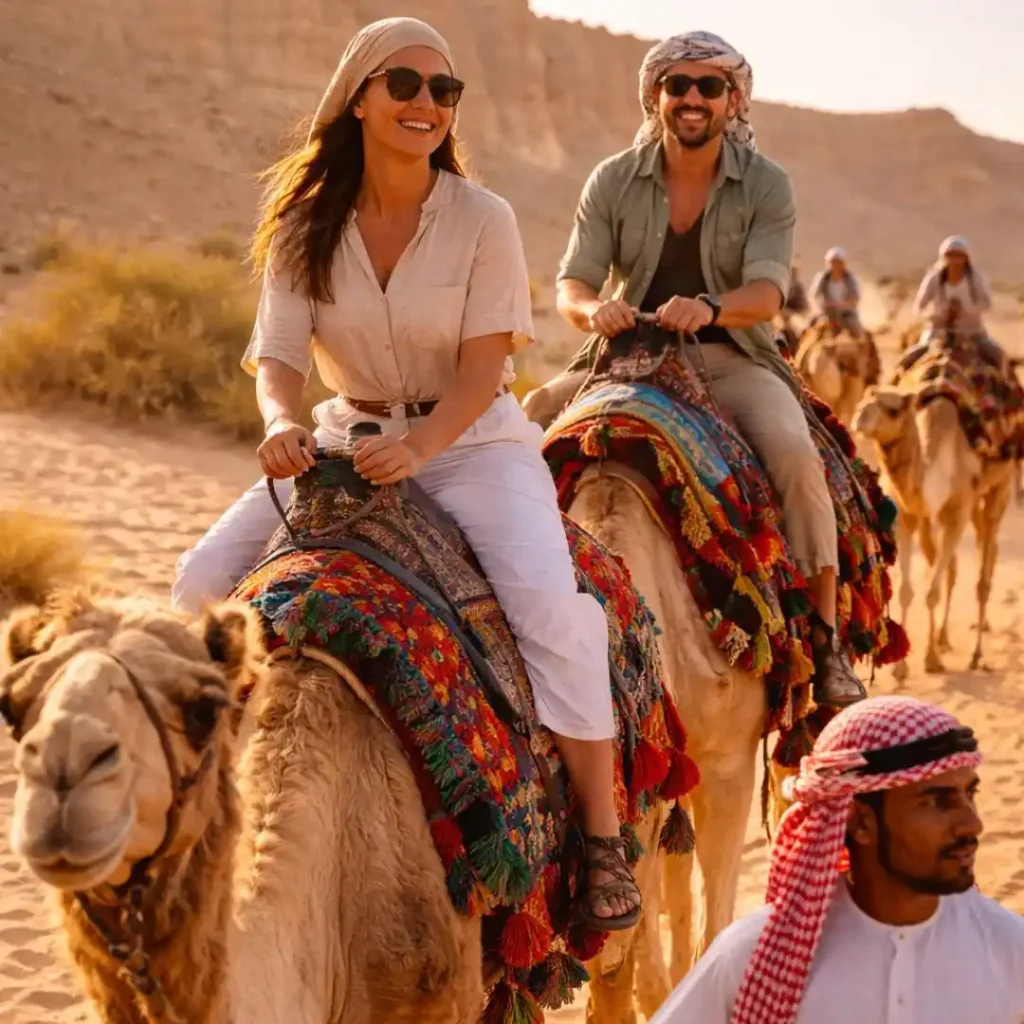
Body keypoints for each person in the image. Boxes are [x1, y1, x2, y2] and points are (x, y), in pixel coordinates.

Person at [171, 17, 640, 928]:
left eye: (444, 91)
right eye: (406, 85)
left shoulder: (482, 219)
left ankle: (601, 838)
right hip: (343, 440)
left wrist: (421, 452)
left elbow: (481, 366)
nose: (427, 103)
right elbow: (277, 356)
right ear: (359, 99)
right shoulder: (306, 225)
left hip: (470, 444)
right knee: (197, 586)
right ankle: (196, 804)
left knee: (550, 609)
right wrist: (277, 423)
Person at [553, 31, 864, 708]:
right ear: (657, 96)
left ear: (733, 100)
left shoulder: (766, 184)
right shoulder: (612, 178)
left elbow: (768, 293)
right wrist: (593, 311)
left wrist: (709, 307)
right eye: (678, 86)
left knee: (793, 455)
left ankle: (826, 637)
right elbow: (572, 283)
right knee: (516, 431)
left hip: (729, 358)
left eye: (709, 87)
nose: (692, 98)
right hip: (625, 359)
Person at [650, 695, 1024, 1023]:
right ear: (860, 821)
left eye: (968, 795)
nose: (971, 824)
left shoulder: (1008, 950)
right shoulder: (755, 960)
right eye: (935, 802)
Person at [903, 235, 1004, 370]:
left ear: (966, 258)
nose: (955, 260)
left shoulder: (975, 278)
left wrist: (966, 310)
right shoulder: (934, 277)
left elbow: (987, 303)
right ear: (943, 257)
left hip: (971, 333)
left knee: (998, 355)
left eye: (959, 256)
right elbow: (919, 306)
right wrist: (937, 314)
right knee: (909, 359)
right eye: (950, 256)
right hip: (937, 333)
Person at [809, 247, 865, 337]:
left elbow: (855, 300)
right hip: (826, 314)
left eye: (839, 262)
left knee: (857, 331)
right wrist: (822, 307)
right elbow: (814, 296)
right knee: (811, 329)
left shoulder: (851, 279)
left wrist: (840, 305)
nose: (836, 265)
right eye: (833, 262)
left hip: (846, 315)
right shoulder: (821, 279)